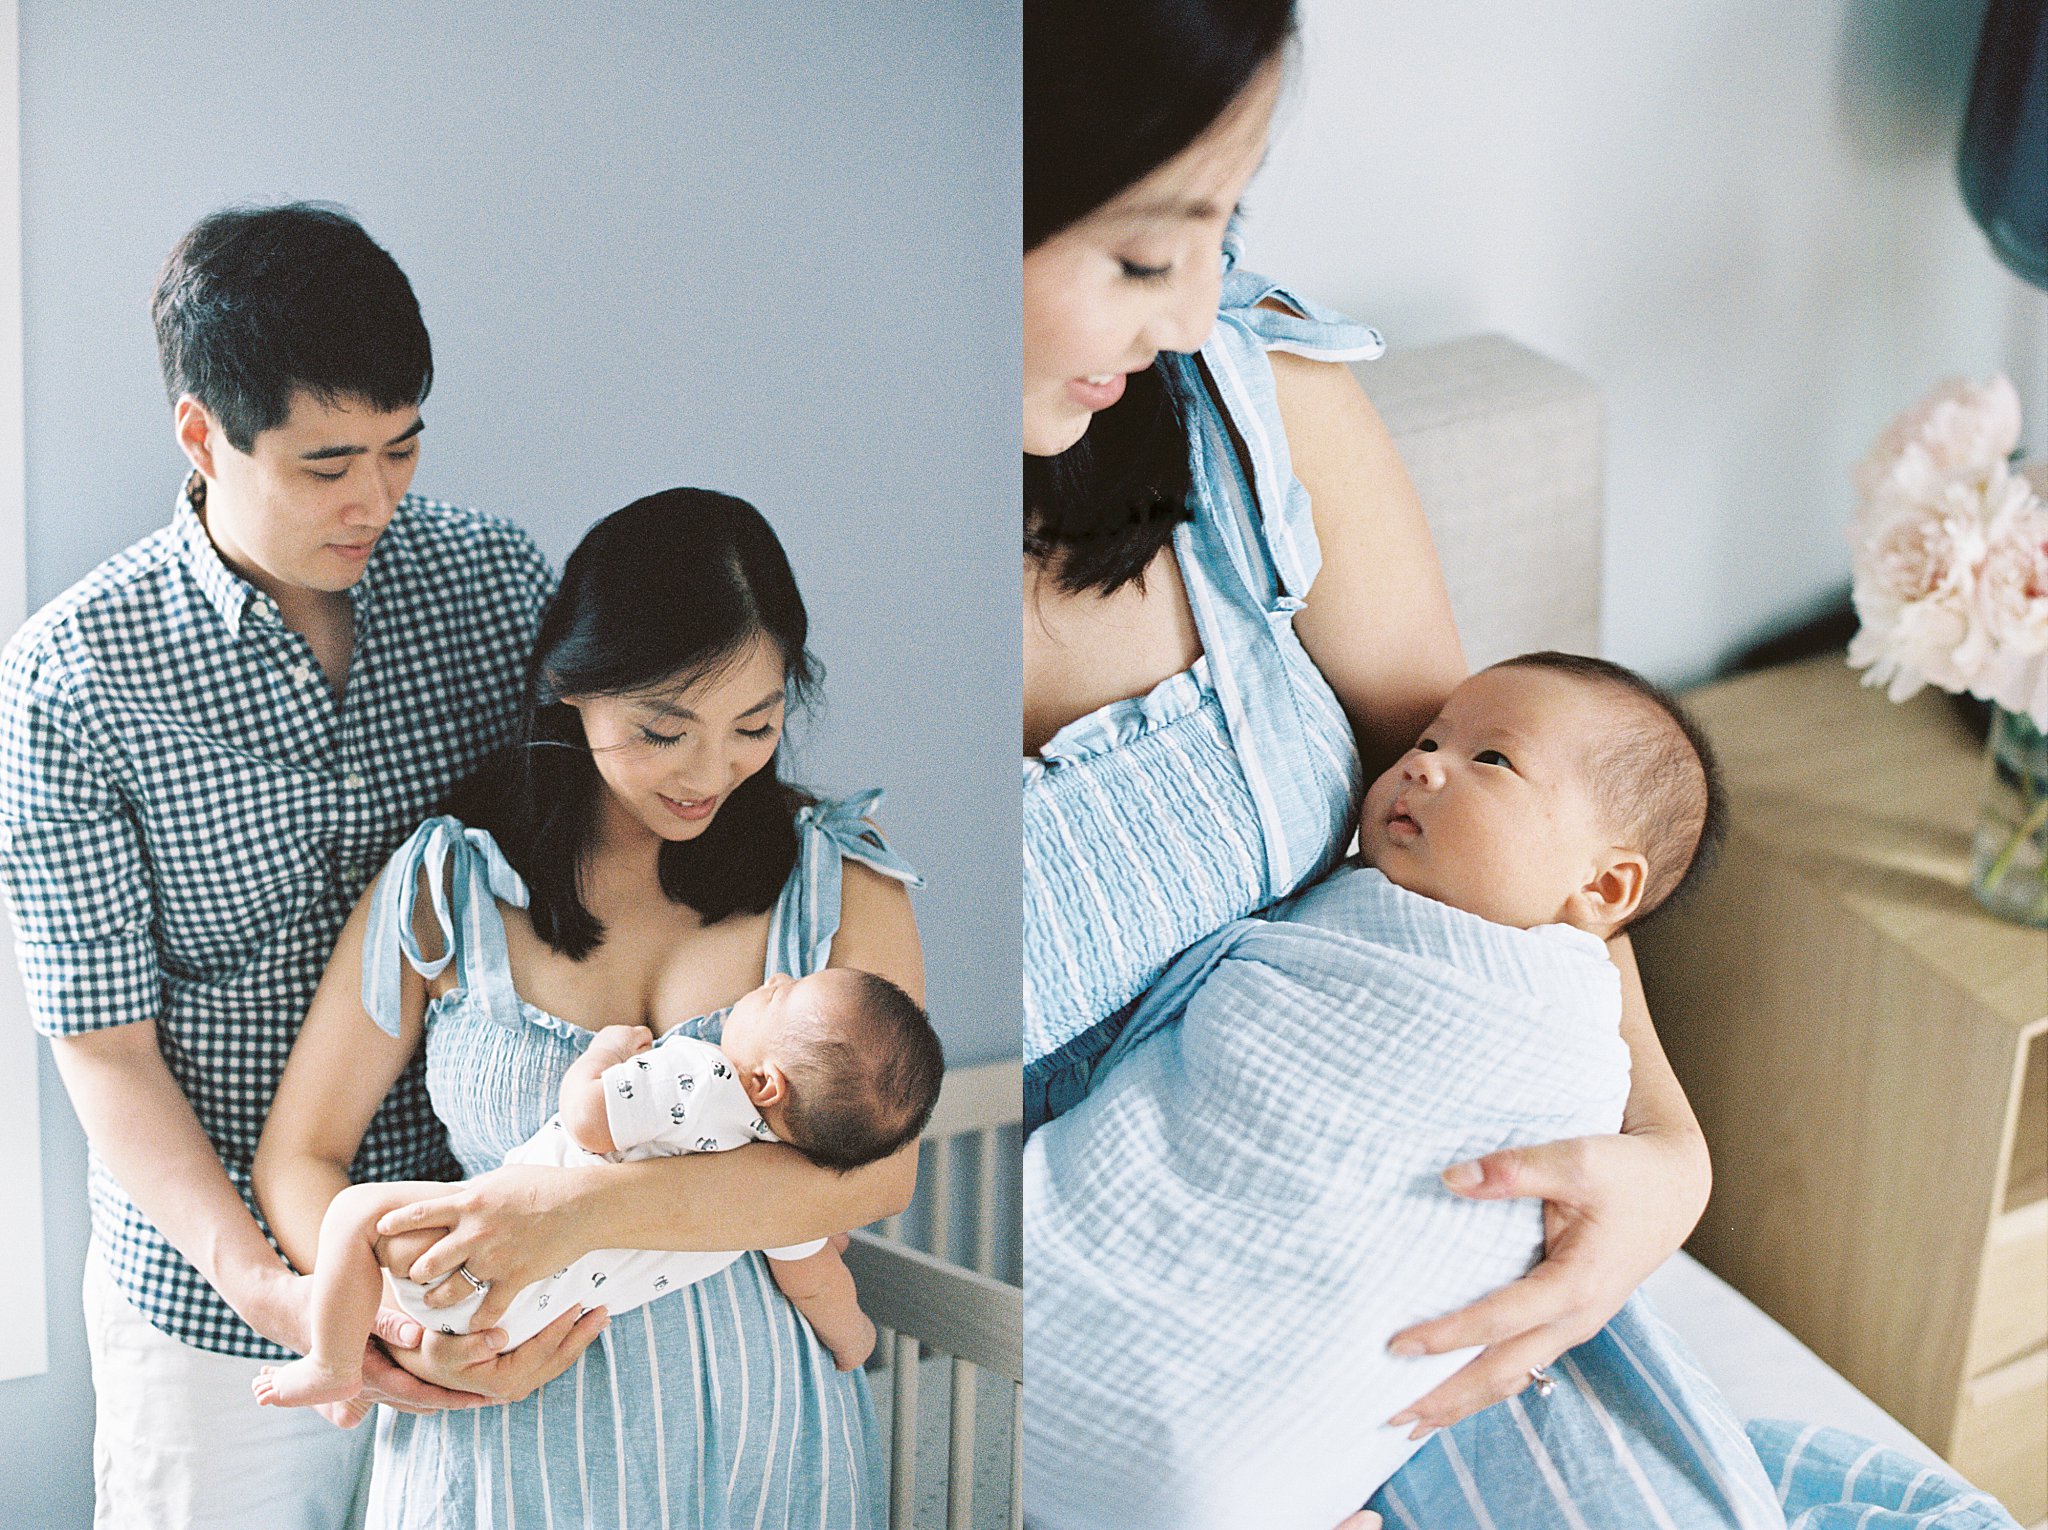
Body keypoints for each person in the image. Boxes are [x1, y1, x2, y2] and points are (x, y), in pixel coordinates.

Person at [1022, 7, 2029, 1527]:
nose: (1197, 310)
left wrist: (1673, 1159)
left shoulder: (1250, 405)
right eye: (1148, 250)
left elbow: (1534, 864)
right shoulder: (711, 660)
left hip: (1423, 1311)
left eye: (1225, 221)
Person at [0, 203, 583, 1530]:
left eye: (402, 447)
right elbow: (104, 1048)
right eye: (327, 464)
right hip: (212, 1309)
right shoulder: (71, 681)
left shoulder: (492, 587)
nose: (373, 498)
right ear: (204, 434)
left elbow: (586, 880)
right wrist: (281, 1292)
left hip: (466, 1260)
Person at [254, 488, 924, 1526]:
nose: (711, 773)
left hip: (762, 1443)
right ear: (572, 690)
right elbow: (300, 1156)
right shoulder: (447, 886)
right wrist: (404, 1331)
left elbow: (878, 1170)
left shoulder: (837, 883)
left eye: (754, 724)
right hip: (496, 1438)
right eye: (662, 731)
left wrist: (575, 1213)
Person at [1028, 654, 1749, 1528]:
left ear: (1603, 886)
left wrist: (1676, 1162)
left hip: (1252, 1408)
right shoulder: (1347, 906)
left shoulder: (1562, 1027)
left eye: (1491, 761)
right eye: (1427, 738)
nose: (1420, 762)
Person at [253, 964, 941, 1411]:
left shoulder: (700, 1079)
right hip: (526, 1327)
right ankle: (352, 1370)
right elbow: (818, 1286)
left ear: (765, 1083)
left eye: (779, 996)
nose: (777, 978)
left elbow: (589, 1120)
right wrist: (854, 1342)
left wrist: (606, 1054)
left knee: (355, 1213)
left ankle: (334, 1363)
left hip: (474, 1258)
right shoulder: (788, 1203)